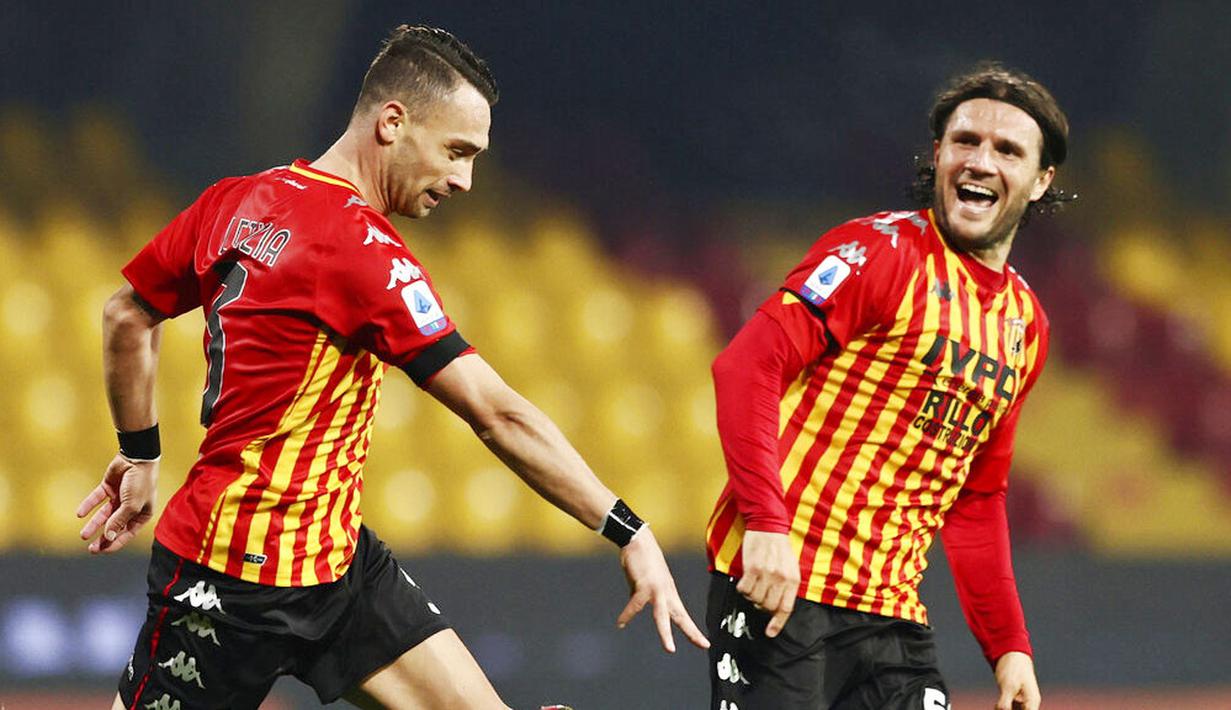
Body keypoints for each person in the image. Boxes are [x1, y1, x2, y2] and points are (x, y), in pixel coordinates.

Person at [76, 24, 707, 710]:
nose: (465, 179)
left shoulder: (234, 200)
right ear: (392, 122)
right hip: (230, 580)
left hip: (335, 562)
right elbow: (496, 414)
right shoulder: (360, 248)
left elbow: (126, 315)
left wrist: (139, 455)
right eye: (456, 152)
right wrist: (626, 529)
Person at [705, 62, 1071, 710]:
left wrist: (1009, 647)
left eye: (1006, 149)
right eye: (964, 141)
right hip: (783, 589)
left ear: (1041, 181)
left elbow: (975, 496)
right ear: (936, 155)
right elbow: (746, 367)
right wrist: (765, 525)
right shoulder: (878, 253)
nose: (979, 161)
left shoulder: (1025, 326)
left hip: (892, 616)